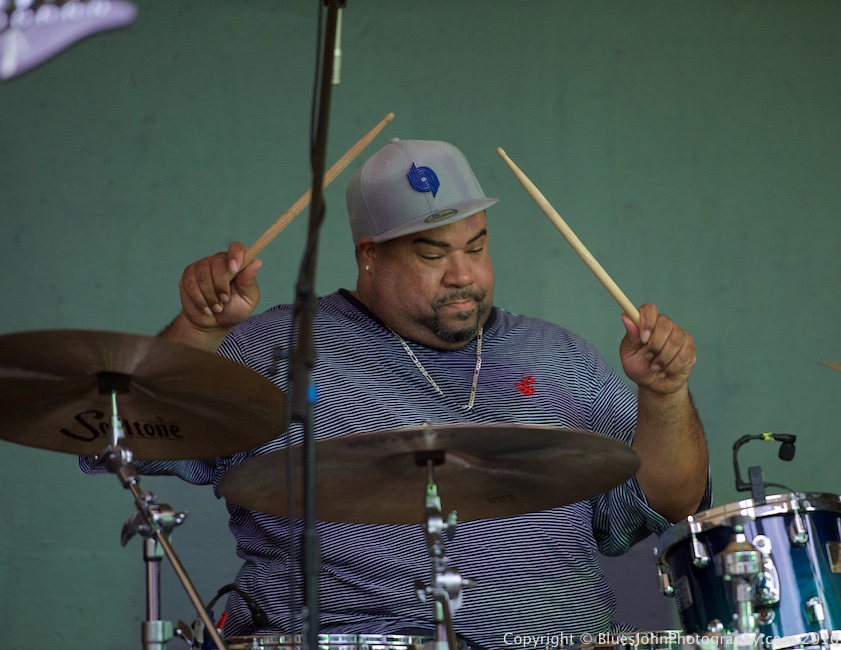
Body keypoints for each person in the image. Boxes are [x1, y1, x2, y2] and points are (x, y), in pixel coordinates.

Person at [82, 138, 710, 649]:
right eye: (432, 254)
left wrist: (664, 396)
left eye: (476, 247)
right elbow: (117, 432)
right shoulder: (277, 348)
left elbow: (670, 501)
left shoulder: (558, 358)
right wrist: (199, 330)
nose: (463, 274)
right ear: (370, 257)